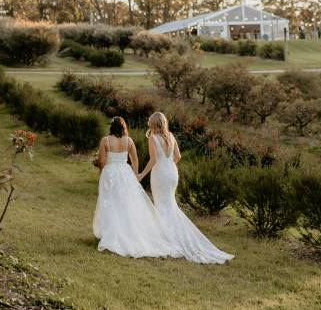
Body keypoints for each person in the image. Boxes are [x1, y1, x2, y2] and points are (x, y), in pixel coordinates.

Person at [138, 112, 234, 264]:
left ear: (153, 123)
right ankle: (170, 235)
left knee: (162, 205)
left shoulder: (153, 138)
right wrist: (169, 166)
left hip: (160, 174)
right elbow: (178, 157)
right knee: (170, 205)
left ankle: (165, 238)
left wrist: (142, 174)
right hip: (172, 173)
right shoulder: (171, 135)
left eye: (149, 121)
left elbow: (154, 160)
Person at [93, 116, 181, 259]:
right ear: (124, 127)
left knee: (109, 202)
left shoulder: (105, 140)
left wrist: (103, 171)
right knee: (126, 204)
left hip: (110, 173)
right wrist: (134, 174)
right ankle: (127, 232)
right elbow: (135, 159)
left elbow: (102, 161)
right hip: (125, 173)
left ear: (111, 127)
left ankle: (111, 233)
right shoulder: (129, 140)